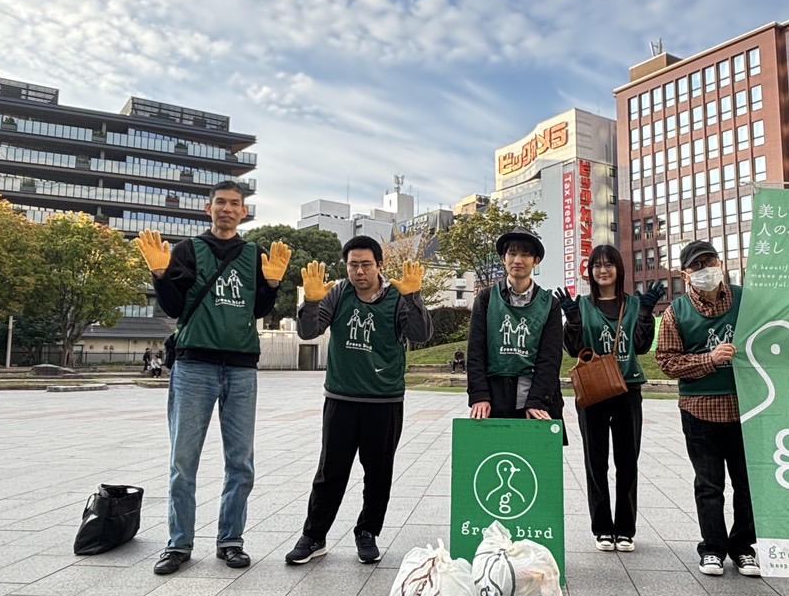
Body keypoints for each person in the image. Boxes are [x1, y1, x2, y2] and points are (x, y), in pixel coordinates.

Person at [656, 239, 789, 578]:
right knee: (709, 484)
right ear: (686, 275)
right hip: (700, 410)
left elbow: (781, 332)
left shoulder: (747, 300)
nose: (705, 271)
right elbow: (667, 362)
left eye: (710, 262)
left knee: (748, 483)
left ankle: (743, 547)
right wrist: (709, 359)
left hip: (749, 408)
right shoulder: (677, 312)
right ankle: (712, 549)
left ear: (721, 263)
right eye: (697, 266)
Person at [134, 181, 292, 575]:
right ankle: (179, 544)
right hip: (194, 366)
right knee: (183, 461)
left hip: (241, 368)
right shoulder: (188, 251)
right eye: (220, 203)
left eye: (234, 204)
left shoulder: (256, 255)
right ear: (209, 209)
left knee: (241, 462)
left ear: (244, 212)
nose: (227, 209)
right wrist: (160, 274)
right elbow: (174, 307)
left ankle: (230, 540)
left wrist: (271, 285)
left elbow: (255, 310)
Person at [286, 237, 435, 565]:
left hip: (384, 401)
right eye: (353, 264)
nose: (359, 271)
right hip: (342, 398)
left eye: (366, 264)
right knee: (330, 471)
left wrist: (413, 297)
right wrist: (311, 302)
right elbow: (308, 333)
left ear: (379, 265)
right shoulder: (338, 293)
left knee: (378, 473)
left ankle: (367, 532)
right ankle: (314, 536)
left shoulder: (397, 295)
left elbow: (422, 334)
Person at [559, 245, 663, 552]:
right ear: (589, 272)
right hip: (592, 391)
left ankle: (626, 529)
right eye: (596, 266)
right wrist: (572, 318)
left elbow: (642, 347)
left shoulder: (632, 305)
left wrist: (646, 313)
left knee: (627, 460)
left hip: (628, 388)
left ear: (619, 269)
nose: (602, 271)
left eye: (608, 265)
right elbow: (573, 348)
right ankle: (602, 528)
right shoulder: (582, 304)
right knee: (596, 461)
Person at [466, 227, 565, 427]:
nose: (517, 260)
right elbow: (476, 351)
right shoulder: (485, 299)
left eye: (525, 254)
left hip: (537, 399)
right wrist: (479, 395)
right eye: (512, 253)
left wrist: (538, 400)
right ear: (503, 258)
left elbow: (551, 358)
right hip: (495, 398)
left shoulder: (550, 303)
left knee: (535, 457)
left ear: (536, 260)